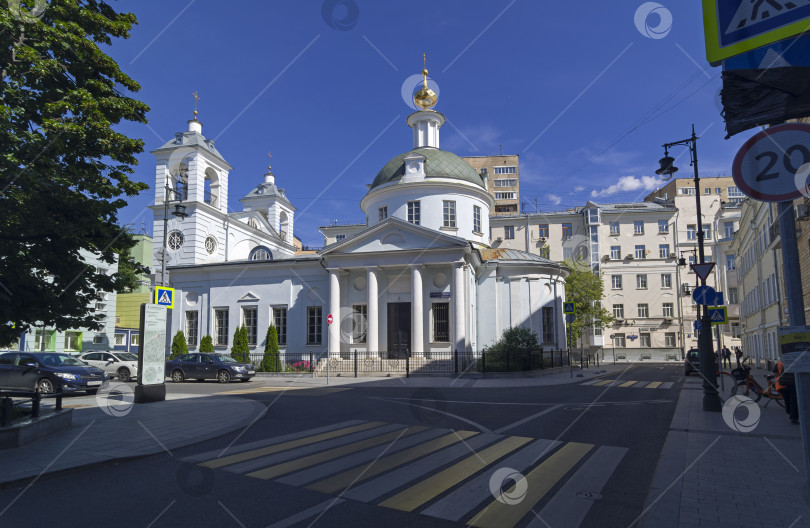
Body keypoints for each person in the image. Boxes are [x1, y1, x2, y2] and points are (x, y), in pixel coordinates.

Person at [774, 360, 799, 424]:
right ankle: (793, 417)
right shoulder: (798, 362)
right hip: (794, 385)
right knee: (794, 402)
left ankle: (790, 412)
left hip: (782, 386)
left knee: (787, 401)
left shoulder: (779, 364)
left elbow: (775, 374)